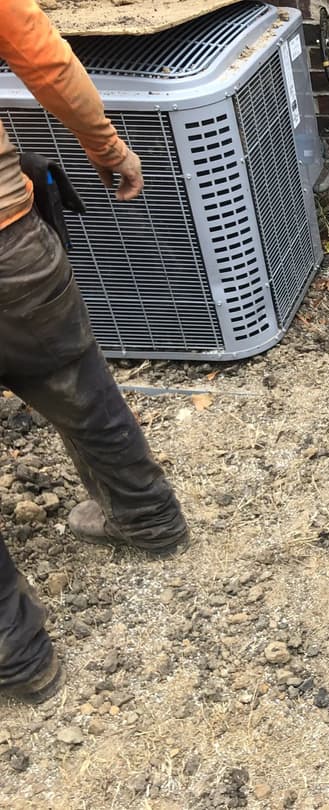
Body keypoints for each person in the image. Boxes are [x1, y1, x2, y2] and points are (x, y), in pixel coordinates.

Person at [0, 0, 189, 704]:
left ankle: (21, 659)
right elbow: (46, 60)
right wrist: (109, 149)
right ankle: (150, 521)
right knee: (74, 382)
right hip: (13, 247)